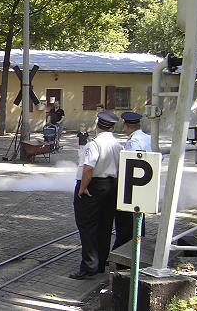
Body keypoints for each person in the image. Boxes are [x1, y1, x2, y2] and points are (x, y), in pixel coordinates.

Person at [70, 111, 122, 280]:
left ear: (97, 125)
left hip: (93, 186)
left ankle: (88, 266)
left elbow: (88, 168)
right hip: (111, 186)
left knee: (87, 225)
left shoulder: (94, 144)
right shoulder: (118, 144)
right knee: (105, 225)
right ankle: (100, 264)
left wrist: (82, 188)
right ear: (112, 127)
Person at [112, 111, 151, 251]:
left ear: (127, 126)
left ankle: (124, 252)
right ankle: (138, 249)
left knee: (125, 226)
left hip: (131, 188)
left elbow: (129, 165)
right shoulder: (148, 138)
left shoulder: (133, 142)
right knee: (139, 221)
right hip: (144, 187)